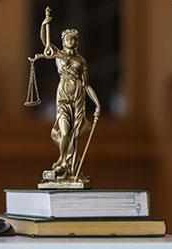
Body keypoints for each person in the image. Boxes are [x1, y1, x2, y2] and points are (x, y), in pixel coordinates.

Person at [39, 17, 101, 180]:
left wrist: (97, 104)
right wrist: (45, 24)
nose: (70, 40)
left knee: (75, 134)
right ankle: (62, 160)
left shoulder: (81, 61)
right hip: (63, 99)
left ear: (77, 42)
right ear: (63, 41)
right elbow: (46, 43)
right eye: (68, 38)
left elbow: (86, 85)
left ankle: (71, 167)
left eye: (73, 38)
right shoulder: (59, 56)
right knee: (65, 131)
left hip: (78, 99)